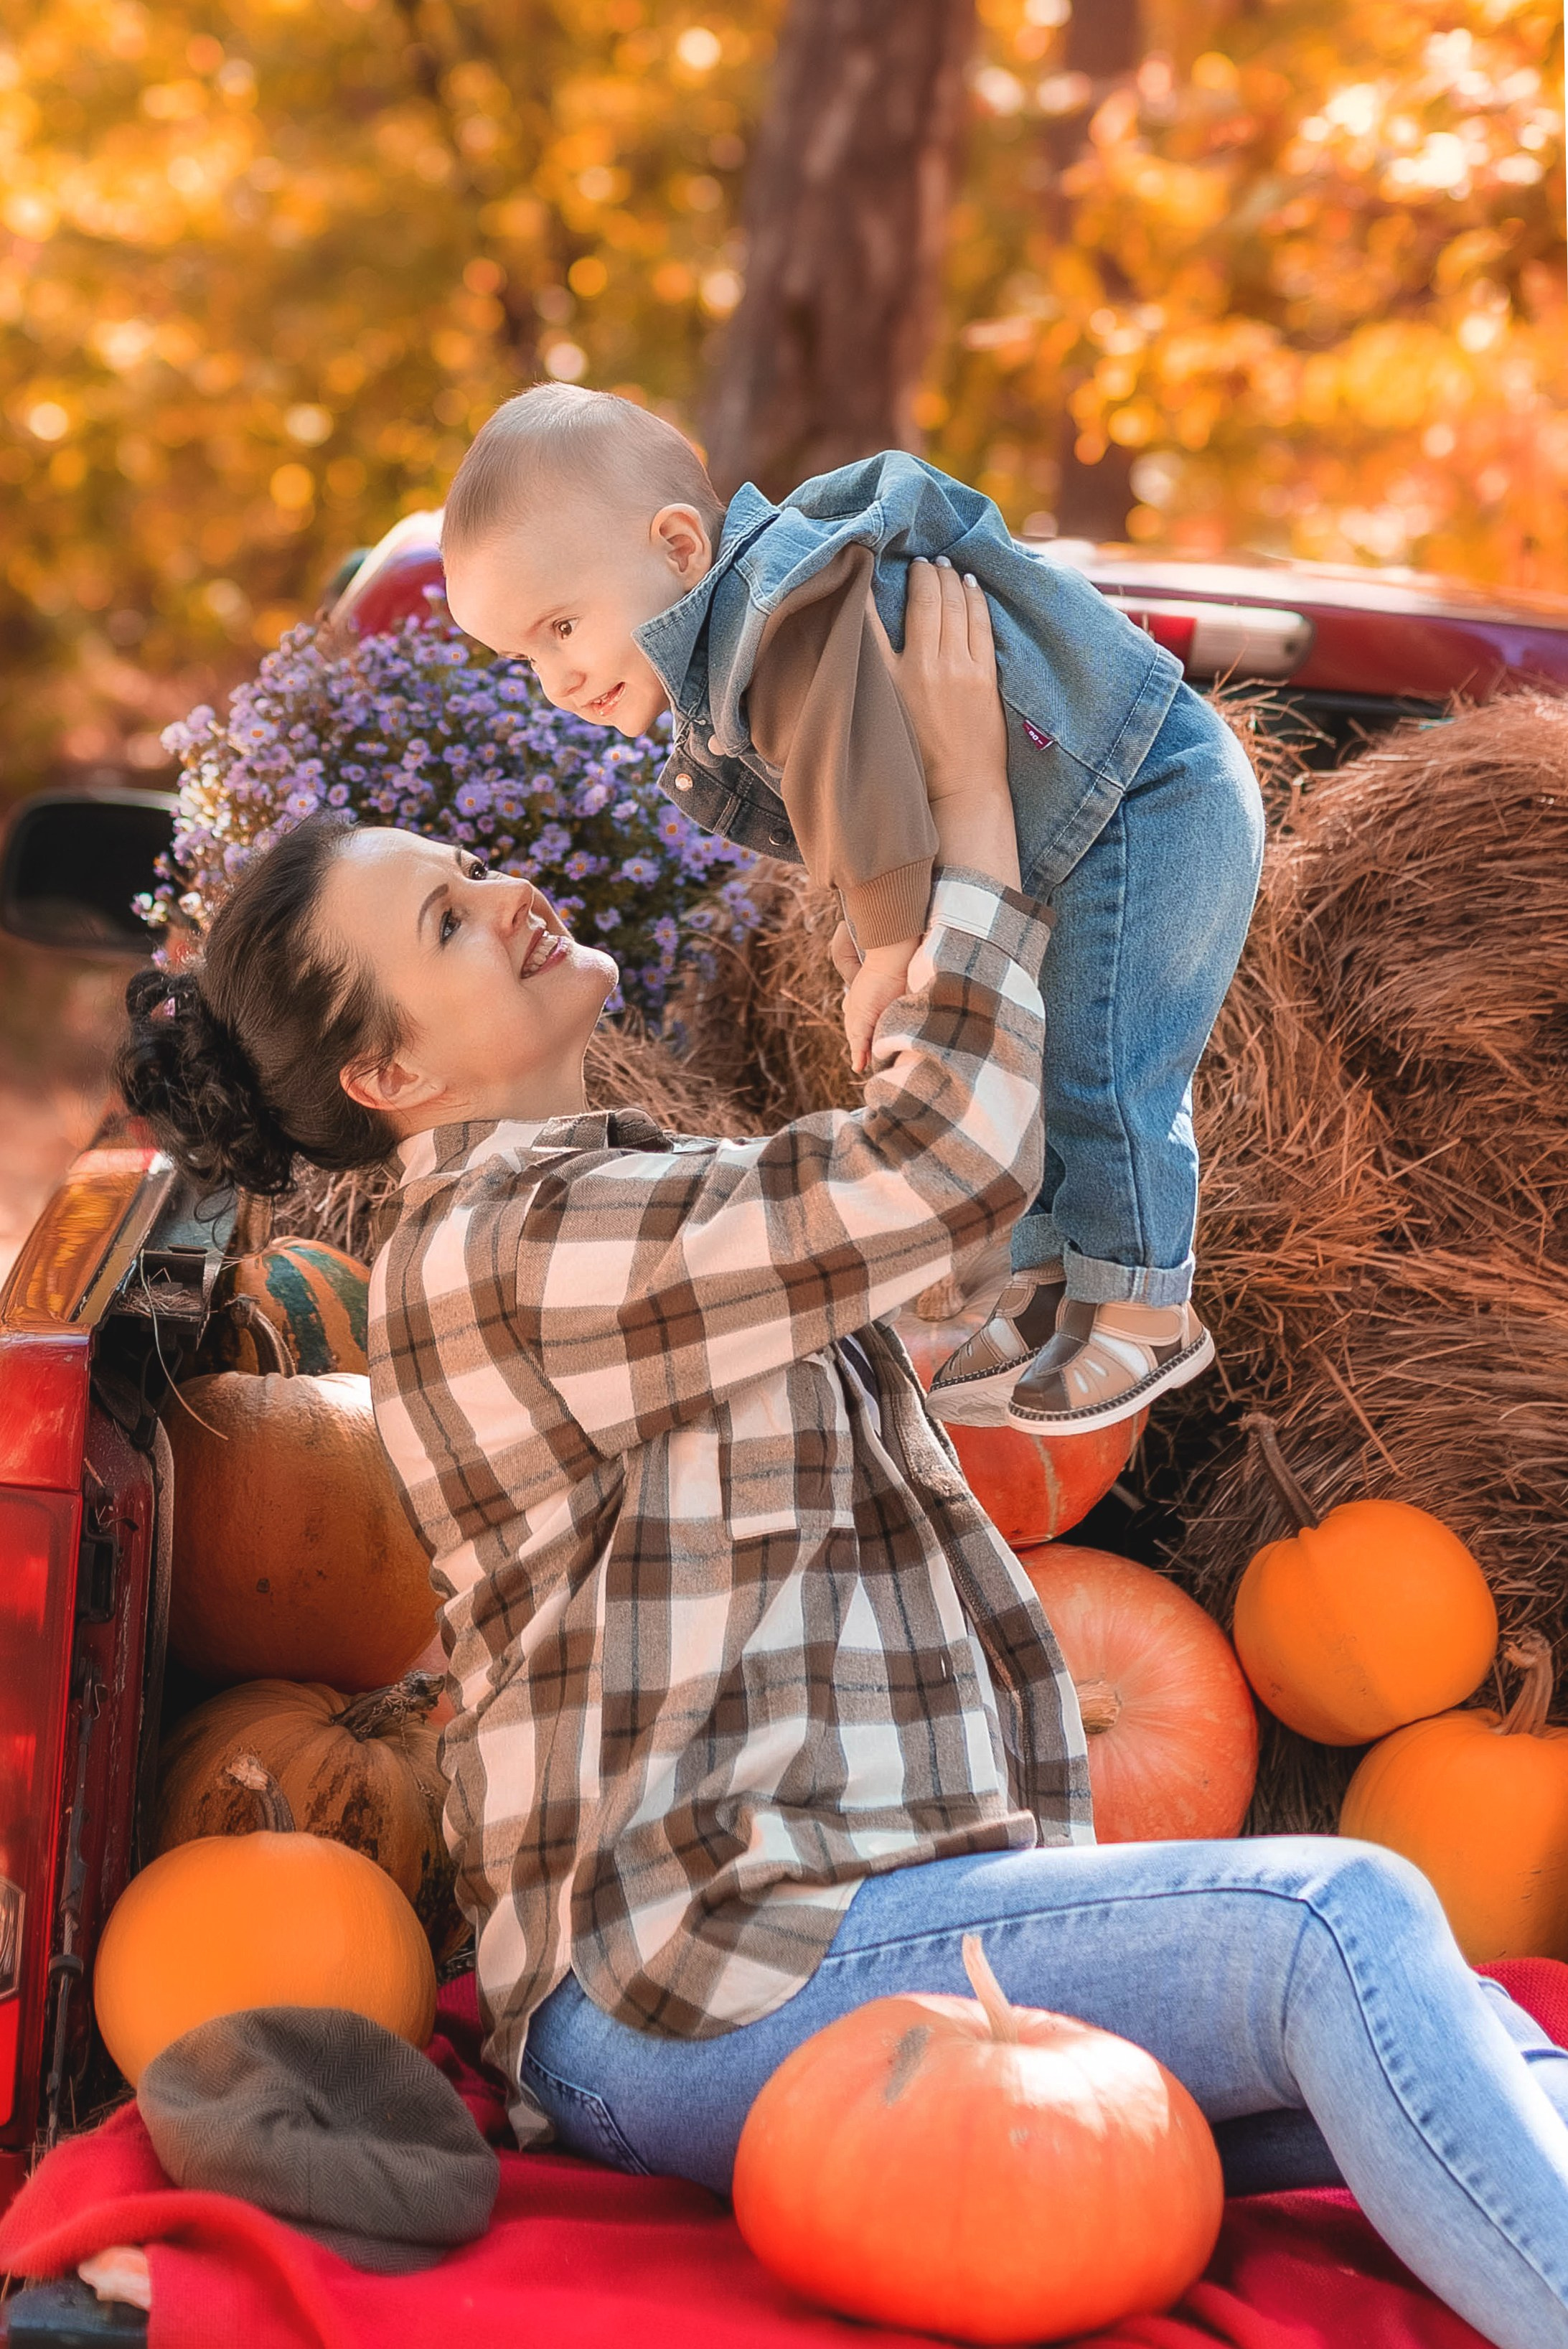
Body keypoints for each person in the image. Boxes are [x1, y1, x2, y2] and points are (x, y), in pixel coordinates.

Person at [119, 567, 1568, 2349]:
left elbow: (932, 1230)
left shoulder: (614, 1202)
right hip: (711, 1980)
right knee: (1342, 1914)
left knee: (1462, 2035)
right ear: (390, 1075)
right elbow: (938, 1167)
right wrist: (962, 817)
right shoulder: (510, 1240)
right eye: (437, 919)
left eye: (467, 863)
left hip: (837, 1935)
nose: (499, 890)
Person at [436, 383, 1266, 1443]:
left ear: (682, 547)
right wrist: (882, 913)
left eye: (562, 625)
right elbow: (865, 797)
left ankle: (1142, 1300)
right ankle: (1052, 1283)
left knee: (1099, 1067)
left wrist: (884, 944)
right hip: (1089, 820)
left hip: (1146, 795)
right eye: (526, 657)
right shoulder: (754, 639)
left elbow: (856, 754)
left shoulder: (779, 619)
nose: (555, 676)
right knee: (1044, 1056)